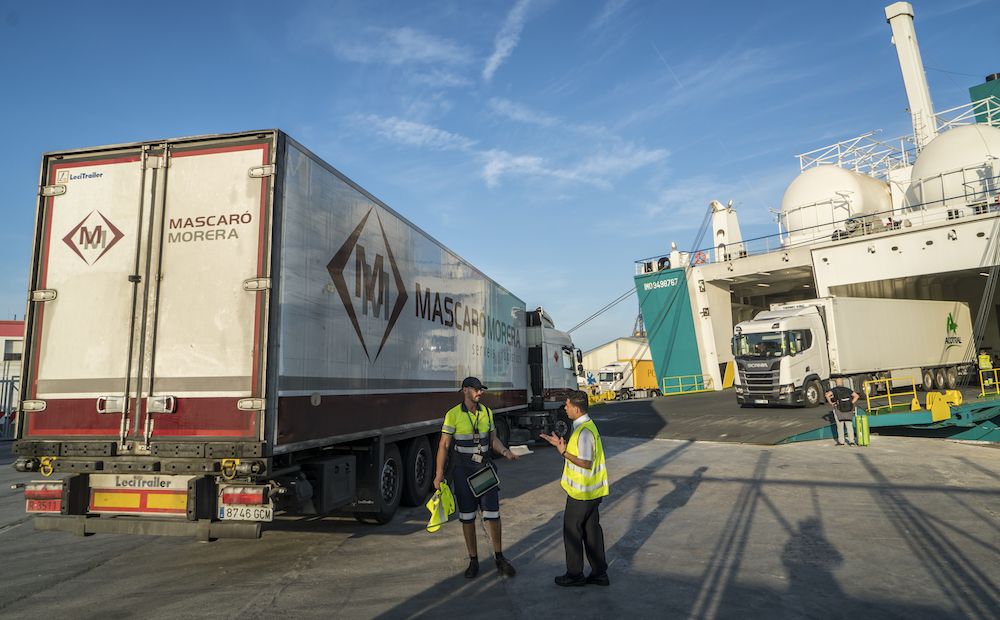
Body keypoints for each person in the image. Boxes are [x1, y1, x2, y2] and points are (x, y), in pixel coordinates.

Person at [433, 376, 519, 579]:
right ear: (465, 390)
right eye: (476, 389)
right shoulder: (453, 415)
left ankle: (499, 557)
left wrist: (506, 452)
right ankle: (473, 560)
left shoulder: (487, 413)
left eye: (481, 390)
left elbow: (493, 439)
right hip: (463, 470)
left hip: (484, 469)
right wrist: (438, 474)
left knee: (493, 514)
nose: (480, 393)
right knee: (467, 517)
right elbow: (444, 445)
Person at [540, 390, 610, 587]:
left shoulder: (585, 432)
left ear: (576, 408)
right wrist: (562, 446)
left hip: (582, 494)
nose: (565, 407)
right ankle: (599, 574)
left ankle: (575, 574)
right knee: (592, 533)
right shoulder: (585, 427)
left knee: (572, 532)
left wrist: (563, 453)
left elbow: (586, 463)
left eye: (567, 405)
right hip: (591, 493)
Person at [825, 378, 859, 446]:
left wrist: (831, 403)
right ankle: (851, 441)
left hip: (838, 410)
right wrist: (851, 403)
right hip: (848, 410)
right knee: (849, 425)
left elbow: (827, 395)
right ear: (842, 383)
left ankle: (841, 442)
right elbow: (856, 396)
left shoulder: (834, 390)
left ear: (836, 383)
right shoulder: (847, 389)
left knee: (840, 426)